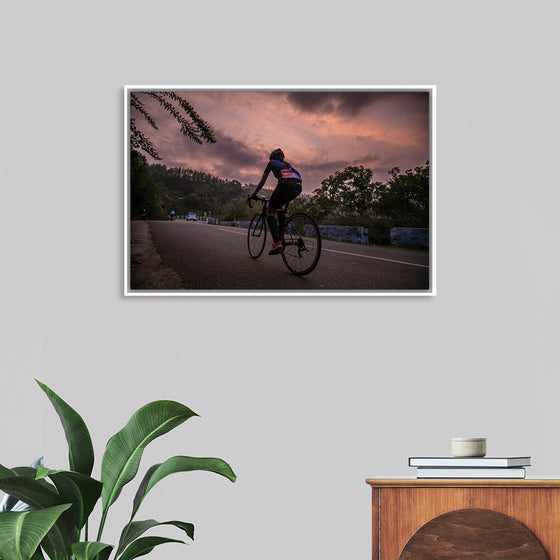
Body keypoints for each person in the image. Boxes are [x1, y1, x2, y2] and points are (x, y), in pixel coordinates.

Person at [252, 149, 302, 255]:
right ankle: (281, 237)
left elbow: (262, 181)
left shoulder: (271, 163)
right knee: (280, 208)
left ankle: (277, 243)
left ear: (272, 158)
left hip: (285, 183)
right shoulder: (288, 165)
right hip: (298, 185)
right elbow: (291, 182)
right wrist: (285, 201)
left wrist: (254, 194)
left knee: (270, 211)